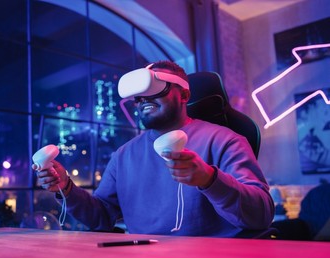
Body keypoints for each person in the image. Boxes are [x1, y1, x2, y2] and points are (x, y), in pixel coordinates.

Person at [33, 60, 275, 237]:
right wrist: (65, 187)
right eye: (138, 97)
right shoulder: (124, 156)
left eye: (155, 90)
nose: (143, 100)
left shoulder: (224, 140)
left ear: (184, 95)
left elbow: (261, 214)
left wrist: (210, 179)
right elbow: (101, 217)